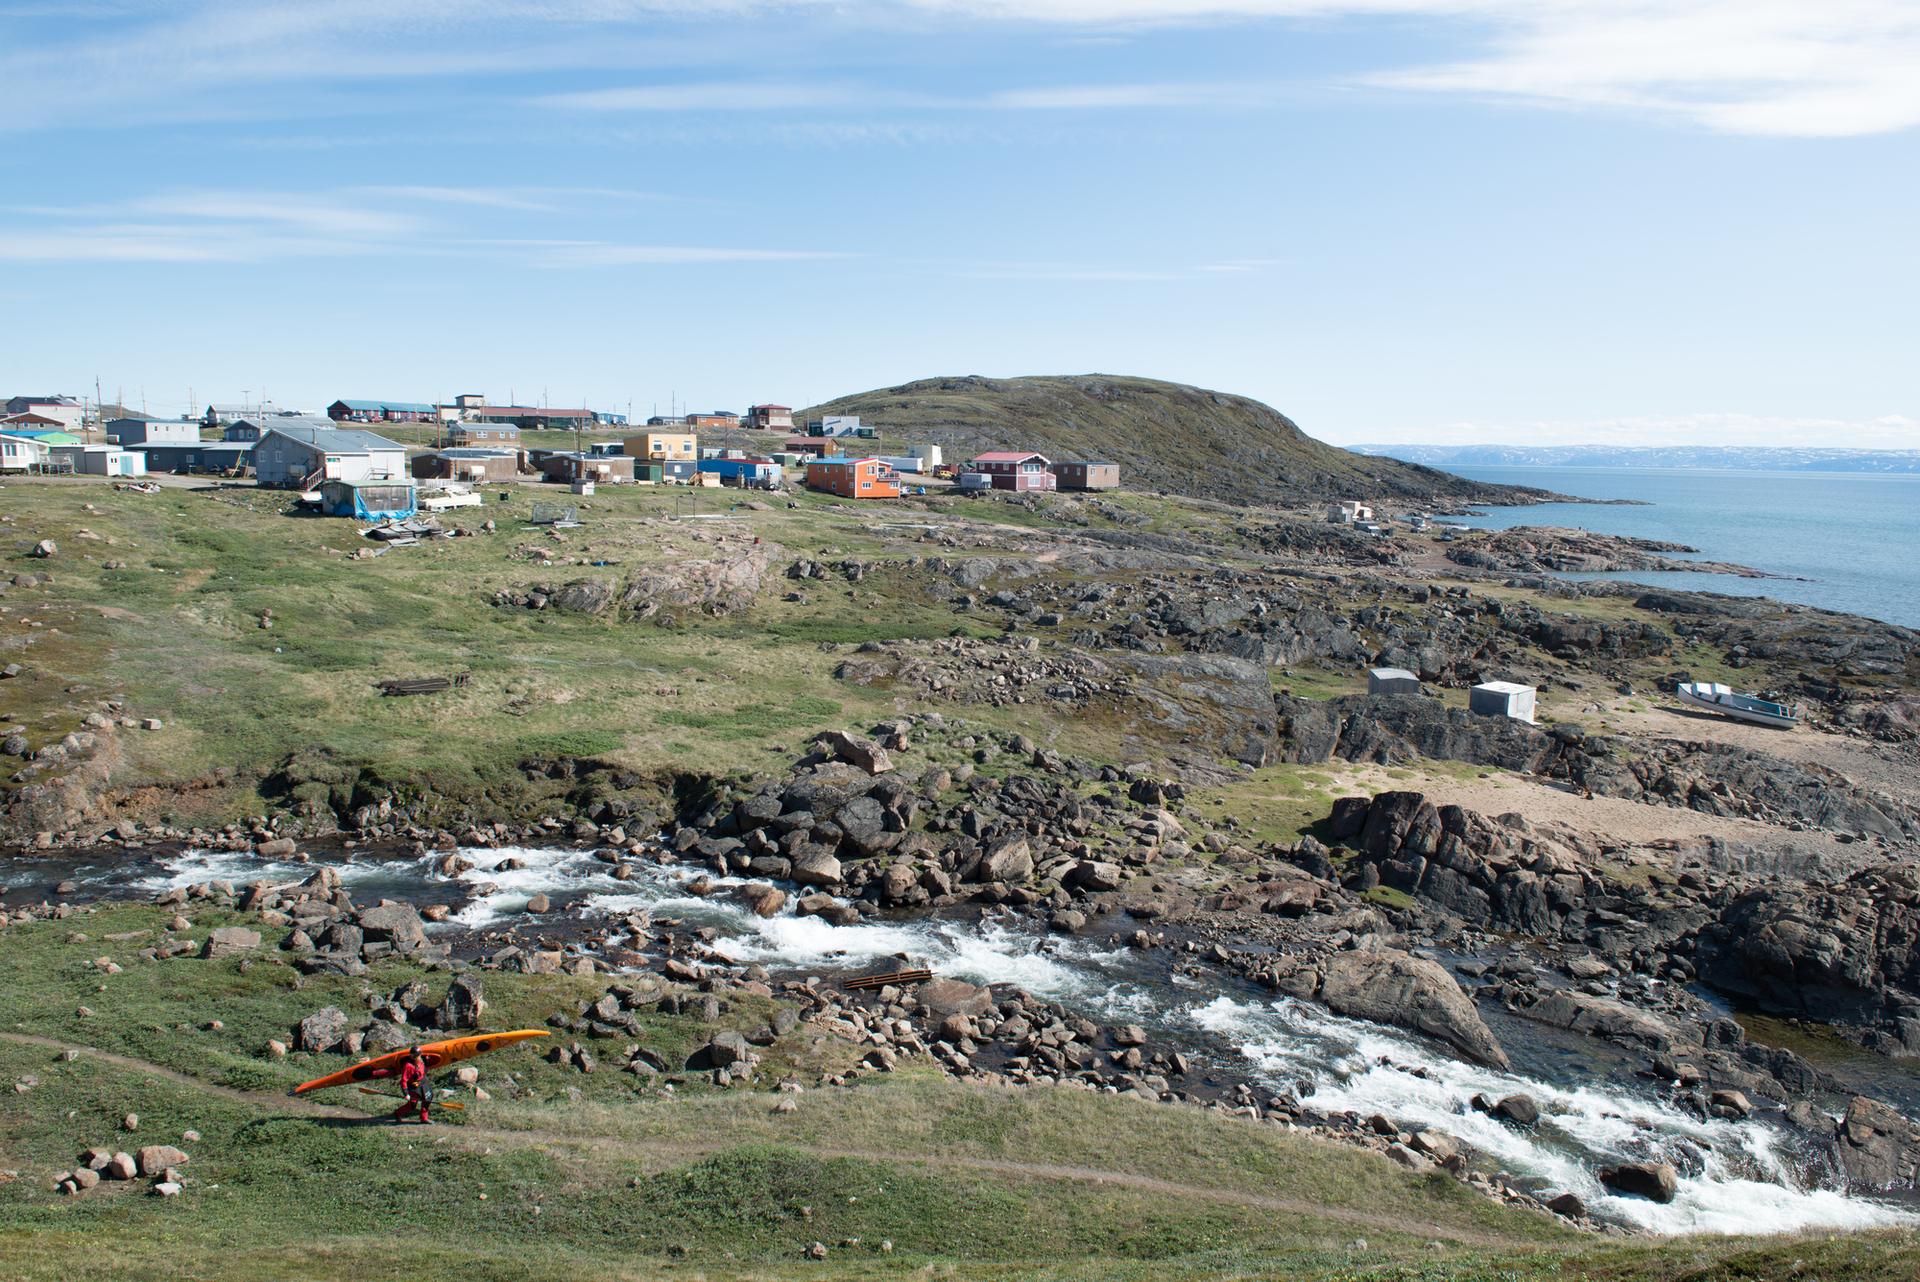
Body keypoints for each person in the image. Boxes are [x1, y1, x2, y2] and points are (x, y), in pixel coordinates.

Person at [370, 1047, 432, 1124]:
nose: (419, 1057)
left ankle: (424, 1118)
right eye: (417, 1056)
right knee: (412, 1105)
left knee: (427, 1100)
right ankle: (397, 1113)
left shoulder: (422, 1061)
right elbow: (403, 1081)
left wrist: (427, 1061)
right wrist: (406, 1093)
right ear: (412, 1057)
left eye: (419, 1055)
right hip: (414, 1086)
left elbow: (424, 1069)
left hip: (423, 1083)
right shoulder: (408, 1066)